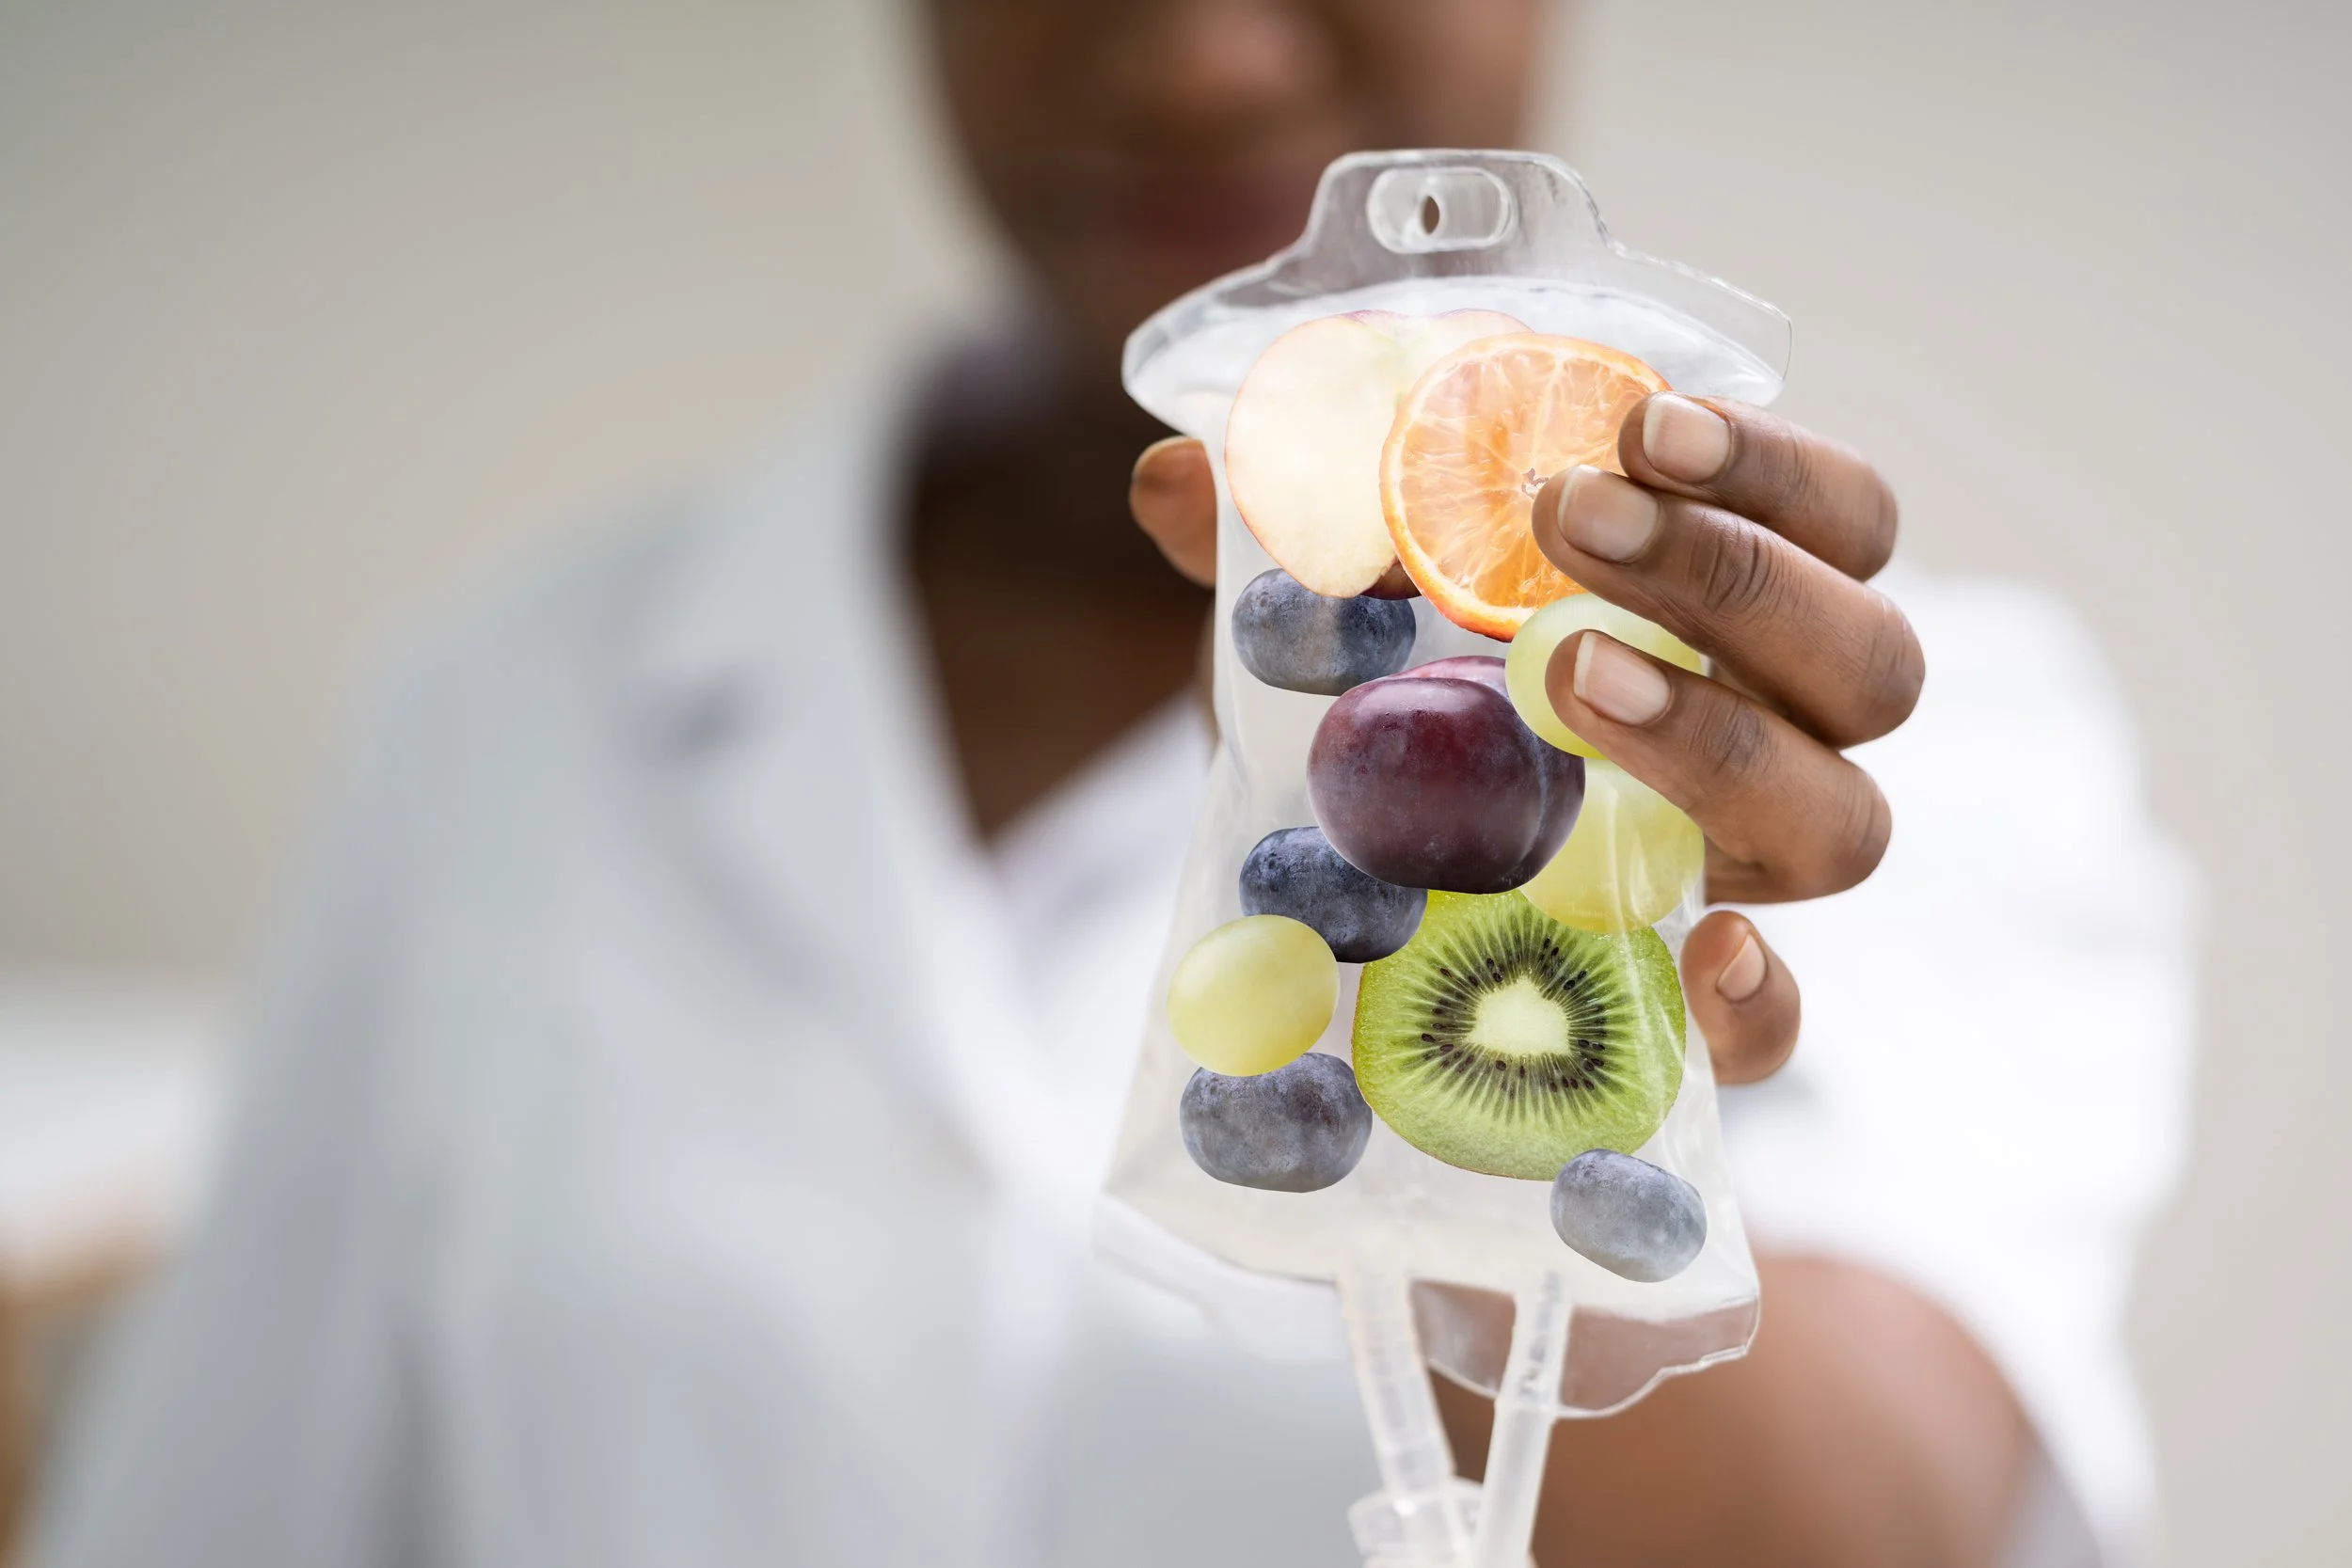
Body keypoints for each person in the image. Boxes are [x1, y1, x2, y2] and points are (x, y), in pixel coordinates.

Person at [35, 3, 2196, 1566]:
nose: (1195, 60)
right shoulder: (510, 709)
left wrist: (1480, 1029)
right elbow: (227, 1506)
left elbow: (1857, 1524)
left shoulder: (1888, 725)